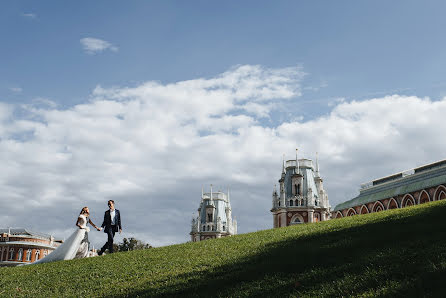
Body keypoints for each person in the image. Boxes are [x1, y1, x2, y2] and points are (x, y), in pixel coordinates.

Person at [31, 207, 101, 264]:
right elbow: (77, 224)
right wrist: (81, 227)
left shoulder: (87, 217)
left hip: (85, 232)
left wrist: (97, 227)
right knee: (76, 244)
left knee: (85, 244)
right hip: (80, 231)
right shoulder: (81, 216)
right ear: (85, 210)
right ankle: (72, 256)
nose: (89, 210)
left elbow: (92, 224)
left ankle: (83, 256)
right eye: (88, 209)